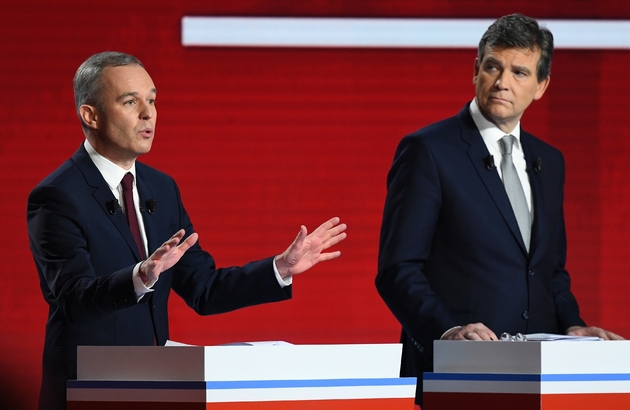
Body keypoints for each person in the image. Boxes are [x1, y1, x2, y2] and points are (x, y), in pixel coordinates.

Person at [27, 51, 347, 410]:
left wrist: (279, 269)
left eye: (152, 100)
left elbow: (203, 289)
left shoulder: (161, 189)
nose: (148, 113)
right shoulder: (57, 196)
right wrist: (139, 276)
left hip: (156, 392)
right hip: (89, 392)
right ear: (91, 114)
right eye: (130, 102)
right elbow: (72, 299)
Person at [375, 13, 623, 407]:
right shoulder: (429, 151)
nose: (503, 82)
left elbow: (549, 272)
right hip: (459, 377)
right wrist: (447, 332)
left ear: (541, 86)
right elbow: (397, 270)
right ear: (476, 70)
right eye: (493, 66)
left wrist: (573, 327)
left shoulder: (550, 160)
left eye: (520, 72)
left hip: (539, 381)